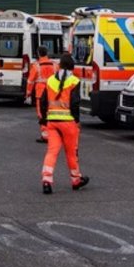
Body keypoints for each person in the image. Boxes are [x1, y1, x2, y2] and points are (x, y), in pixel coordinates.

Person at [39, 53, 89, 194]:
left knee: (52, 152)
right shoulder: (74, 81)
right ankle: (76, 180)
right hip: (68, 123)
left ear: (59, 66)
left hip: (52, 122)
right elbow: (75, 103)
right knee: (71, 153)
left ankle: (46, 180)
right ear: (72, 67)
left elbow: (43, 102)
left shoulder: (49, 81)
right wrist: (77, 120)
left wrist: (44, 119)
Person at [26, 46, 57, 143]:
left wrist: (28, 93)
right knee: (52, 113)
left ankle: (45, 135)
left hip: (40, 93)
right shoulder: (55, 65)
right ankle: (53, 134)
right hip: (53, 92)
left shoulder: (36, 66)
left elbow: (30, 81)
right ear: (47, 53)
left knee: (41, 114)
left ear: (38, 54)